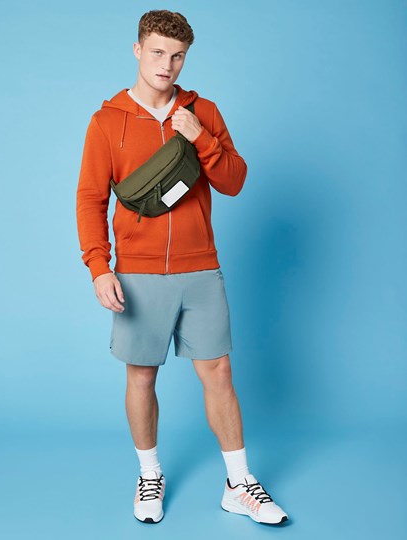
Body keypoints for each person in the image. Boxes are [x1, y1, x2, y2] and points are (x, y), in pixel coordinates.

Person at [76, 9, 288, 526]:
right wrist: (99, 266)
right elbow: (90, 199)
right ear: (137, 50)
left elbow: (234, 181)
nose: (166, 65)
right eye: (157, 52)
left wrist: (200, 138)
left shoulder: (203, 111)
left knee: (219, 372)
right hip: (138, 272)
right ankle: (150, 474)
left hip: (200, 269)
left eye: (177, 56)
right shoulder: (107, 122)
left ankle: (239, 484)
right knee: (141, 376)